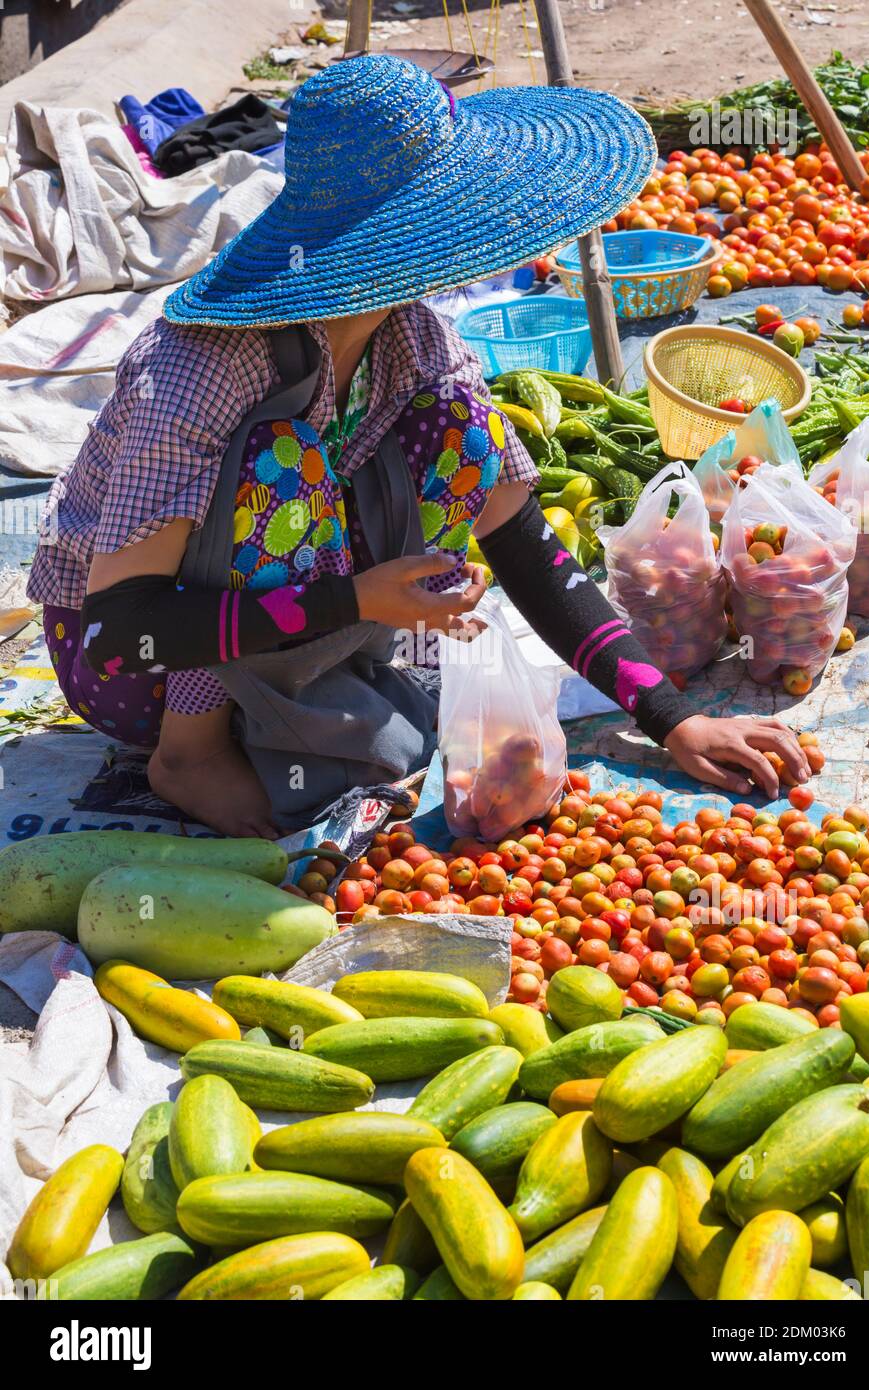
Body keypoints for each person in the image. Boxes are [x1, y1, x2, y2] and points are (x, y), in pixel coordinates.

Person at [28, 55, 809, 838]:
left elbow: (526, 548)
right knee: (284, 466)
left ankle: (296, 697)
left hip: (286, 621)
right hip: (142, 674)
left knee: (460, 429)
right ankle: (193, 753)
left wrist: (670, 716)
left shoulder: (412, 339)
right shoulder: (205, 368)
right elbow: (121, 630)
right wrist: (358, 602)